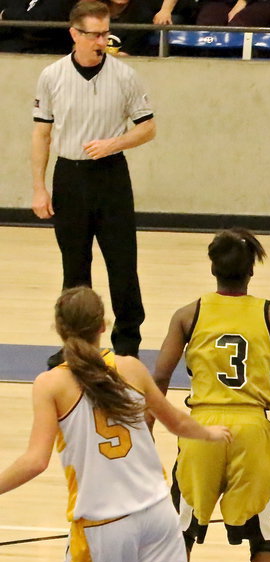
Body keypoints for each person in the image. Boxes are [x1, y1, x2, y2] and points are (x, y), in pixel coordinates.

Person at [0, 287, 230, 562]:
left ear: (58, 329)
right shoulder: (131, 367)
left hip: (102, 523)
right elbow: (176, 423)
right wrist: (210, 433)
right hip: (157, 512)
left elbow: (34, 461)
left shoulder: (51, 384)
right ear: (104, 326)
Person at [136, 229, 270, 562]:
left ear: (212, 268)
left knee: (179, 538)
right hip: (253, 428)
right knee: (264, 540)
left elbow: (158, 379)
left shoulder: (188, 315)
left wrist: (149, 429)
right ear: (251, 271)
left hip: (201, 427)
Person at [33, 1, 155, 366]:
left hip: (111, 175)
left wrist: (113, 143)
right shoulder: (52, 76)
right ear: (75, 34)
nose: (102, 40)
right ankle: (76, 344)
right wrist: (39, 188)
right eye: (94, 34)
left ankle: (128, 344)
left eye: (105, 33)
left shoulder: (125, 75)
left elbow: (148, 127)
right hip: (69, 175)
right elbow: (41, 135)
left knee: (122, 262)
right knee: (74, 265)